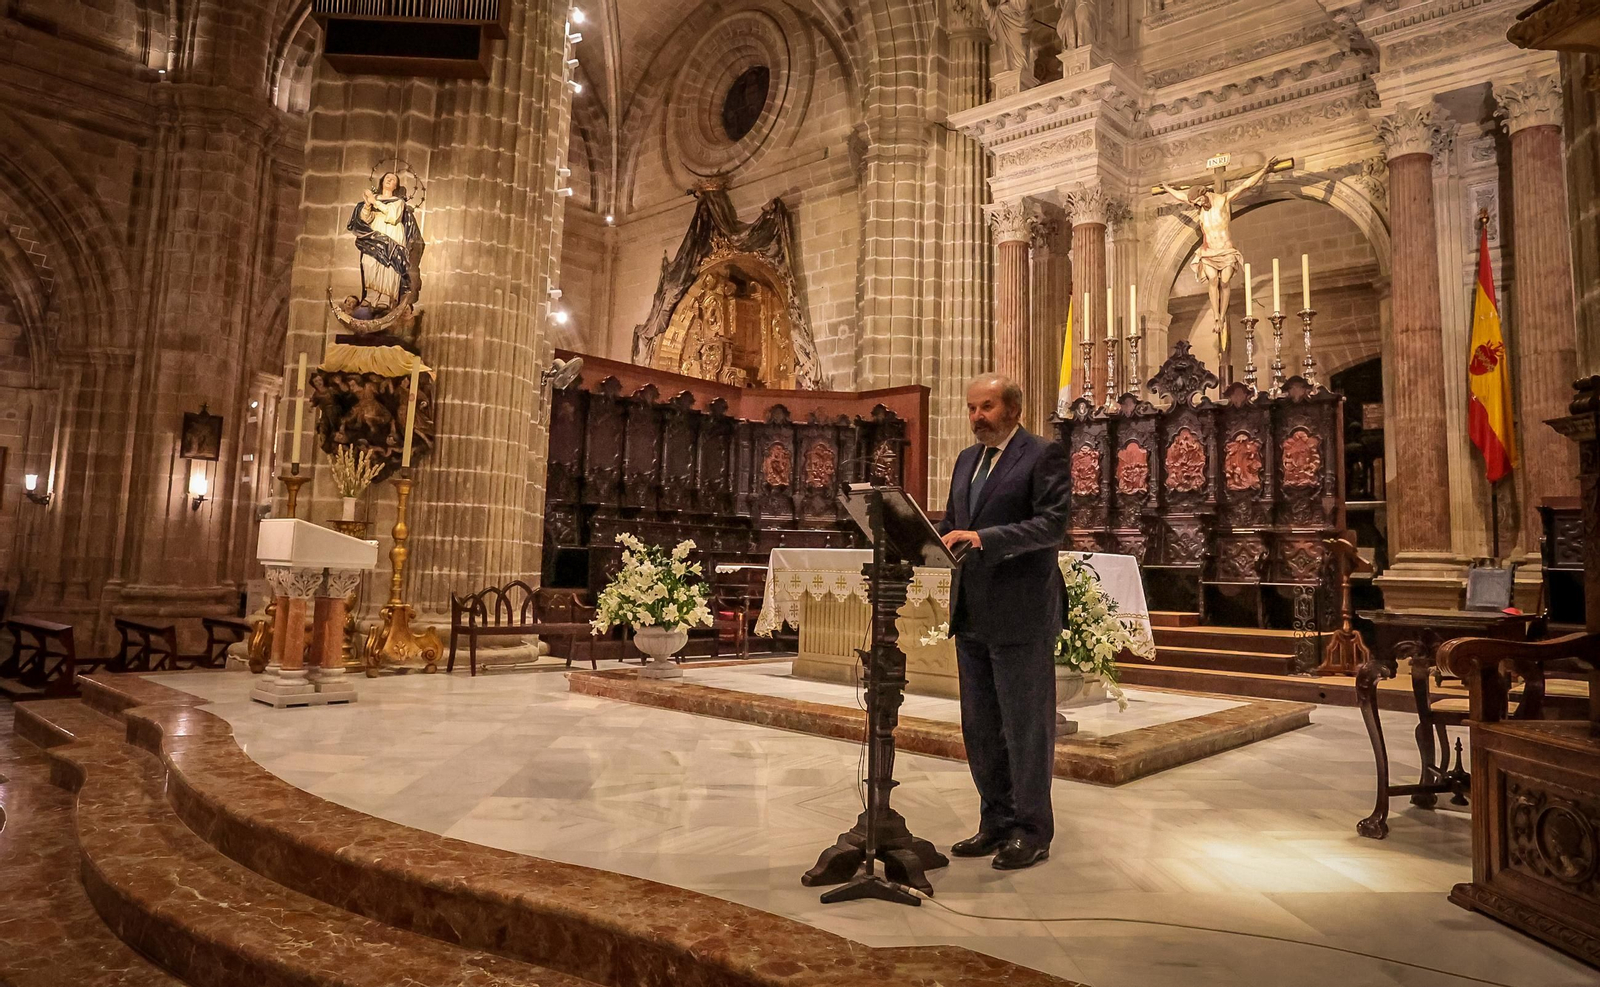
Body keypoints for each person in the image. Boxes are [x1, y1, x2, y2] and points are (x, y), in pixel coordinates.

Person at [937, 374, 1071, 870]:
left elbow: (1052, 523)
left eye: (987, 407)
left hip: (1021, 612)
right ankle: (995, 821)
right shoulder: (966, 460)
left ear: (1013, 408)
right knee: (981, 727)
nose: (977, 417)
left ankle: (1032, 830)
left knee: (1025, 727)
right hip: (972, 609)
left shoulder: (1041, 455)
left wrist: (985, 538)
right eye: (971, 408)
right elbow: (955, 521)